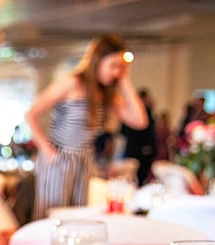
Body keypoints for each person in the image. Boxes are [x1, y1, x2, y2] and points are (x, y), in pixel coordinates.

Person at [25, 34, 147, 219]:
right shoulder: (72, 82)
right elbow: (31, 114)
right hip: (60, 158)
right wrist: (47, 150)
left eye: (120, 67)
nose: (115, 72)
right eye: (113, 65)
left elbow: (140, 120)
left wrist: (124, 80)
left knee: (78, 218)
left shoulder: (105, 93)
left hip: (85, 161)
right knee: (52, 217)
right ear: (98, 60)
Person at [120, 88, 156, 185]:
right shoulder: (142, 113)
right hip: (140, 148)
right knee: (136, 173)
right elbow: (148, 130)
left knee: (136, 174)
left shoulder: (145, 112)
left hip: (134, 147)